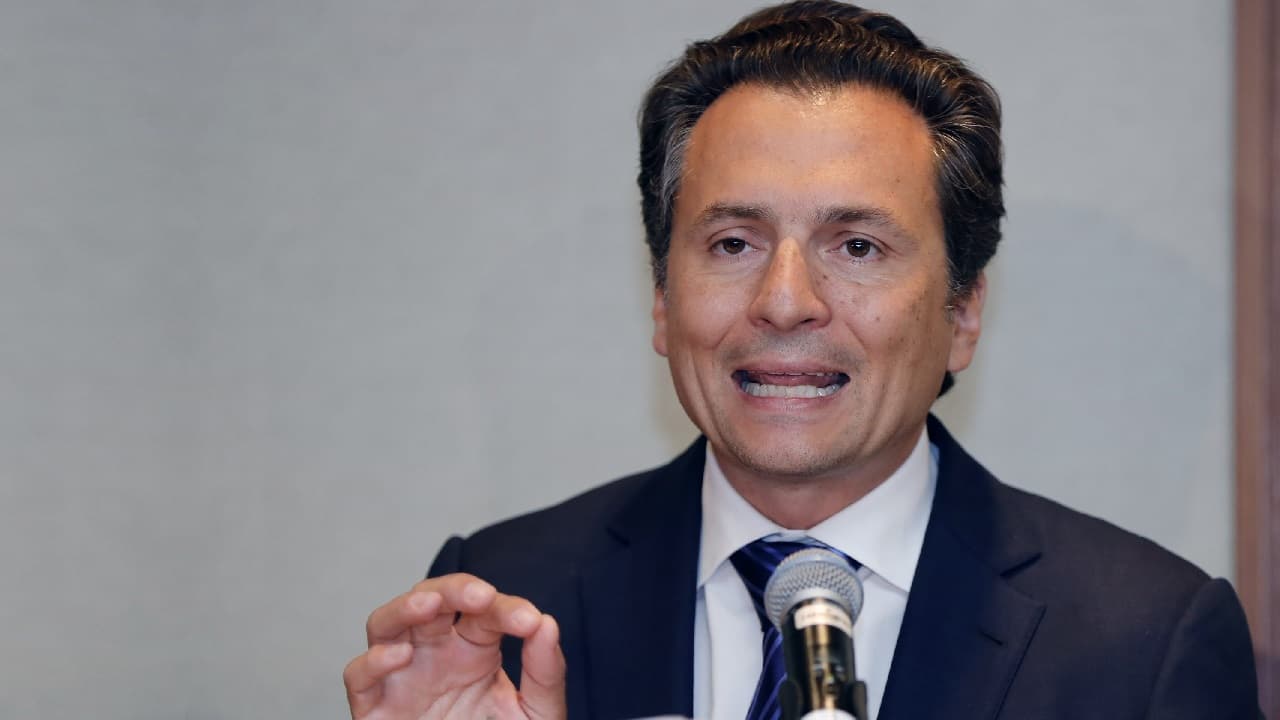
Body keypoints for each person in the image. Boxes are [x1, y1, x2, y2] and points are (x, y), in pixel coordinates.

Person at [343, 2, 1262, 718]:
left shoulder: (1144, 640)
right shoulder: (503, 599)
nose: (785, 301)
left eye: (857, 246)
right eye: (733, 243)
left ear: (963, 310)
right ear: (662, 299)